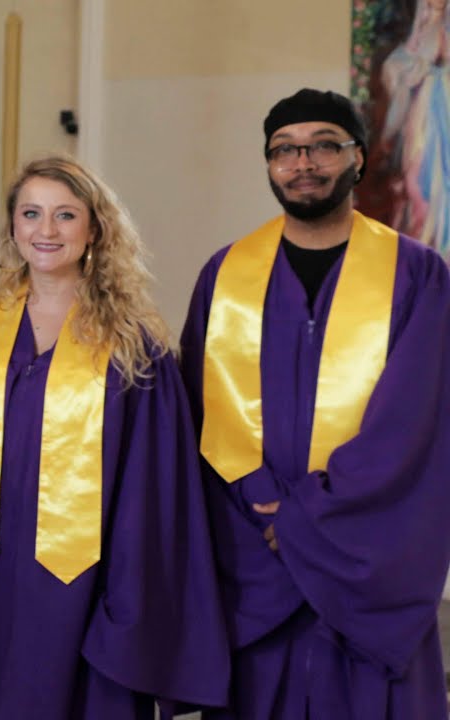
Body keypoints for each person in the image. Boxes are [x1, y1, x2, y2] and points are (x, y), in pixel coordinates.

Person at [0, 155, 230, 719]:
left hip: (80, 586)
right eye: (31, 213)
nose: (46, 230)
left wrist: (129, 602)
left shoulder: (135, 351)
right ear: (12, 227)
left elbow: (154, 491)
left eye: (65, 215)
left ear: (94, 230)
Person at [180, 88, 450, 719]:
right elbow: (199, 408)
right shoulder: (224, 275)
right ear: (270, 164)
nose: (304, 163)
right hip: (251, 558)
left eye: (324, 146)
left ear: (358, 158)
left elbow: (415, 421)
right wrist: (255, 498)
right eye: (285, 150)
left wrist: (307, 516)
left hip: (366, 553)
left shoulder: (416, 275)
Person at [380, 0, 450, 253]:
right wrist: (413, 69)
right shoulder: (420, 29)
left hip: (445, 110)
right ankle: (426, 243)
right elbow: (397, 67)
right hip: (423, 115)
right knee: (417, 174)